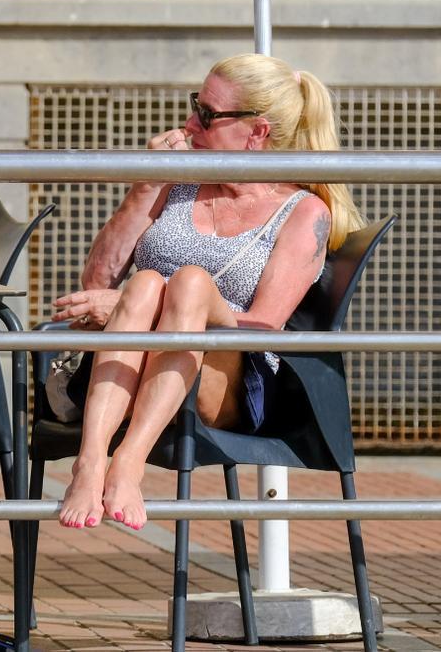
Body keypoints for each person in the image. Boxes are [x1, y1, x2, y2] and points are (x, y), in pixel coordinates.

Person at [50, 53, 364, 532]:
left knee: (189, 281)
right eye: (195, 105)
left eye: (208, 115)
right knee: (150, 280)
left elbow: (263, 327)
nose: (188, 123)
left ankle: (128, 461)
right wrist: (146, 185)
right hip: (128, 366)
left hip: (227, 380)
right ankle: (91, 462)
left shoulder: (303, 214)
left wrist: (160, 307)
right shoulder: (177, 180)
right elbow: (96, 284)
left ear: (257, 132)